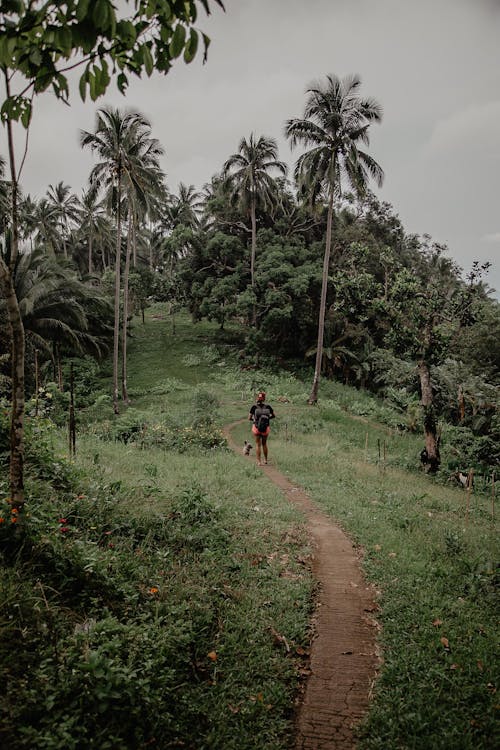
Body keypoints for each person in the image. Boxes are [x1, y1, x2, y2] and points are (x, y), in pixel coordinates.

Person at [249, 391, 275, 466]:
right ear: (264, 398)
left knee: (258, 444)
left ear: (257, 398)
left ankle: (259, 462)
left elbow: (249, 418)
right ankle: (266, 460)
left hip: (256, 428)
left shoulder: (254, 407)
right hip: (265, 428)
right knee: (264, 444)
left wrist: (255, 420)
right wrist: (267, 419)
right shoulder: (268, 407)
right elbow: (273, 416)